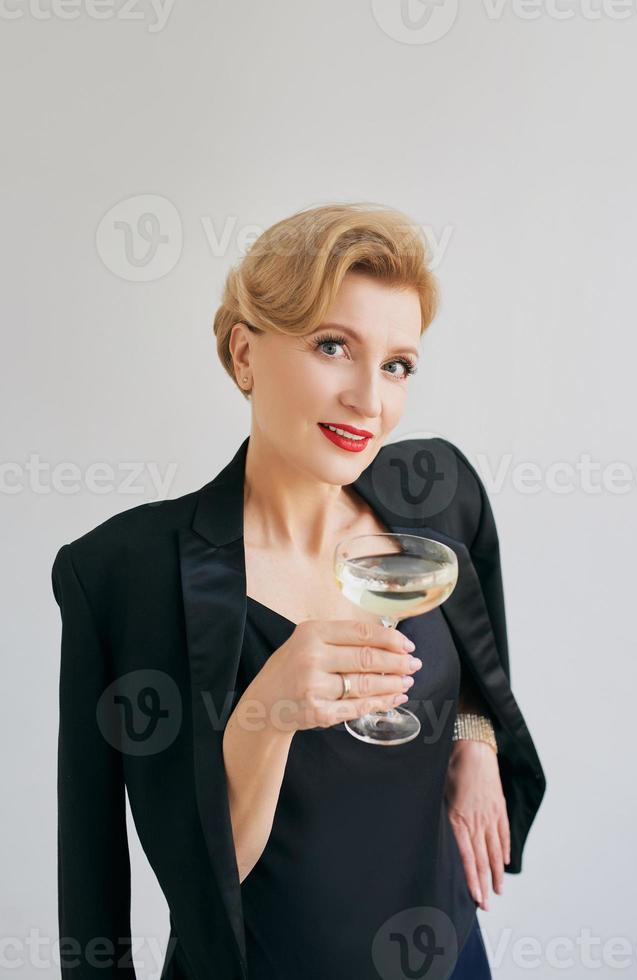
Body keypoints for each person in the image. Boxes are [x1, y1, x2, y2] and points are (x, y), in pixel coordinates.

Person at [52, 202, 546, 980]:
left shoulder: (439, 494)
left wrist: (475, 743)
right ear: (245, 355)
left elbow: (482, 677)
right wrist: (270, 710)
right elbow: (144, 882)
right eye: (332, 346)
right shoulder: (123, 571)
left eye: (397, 364)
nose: (369, 399)